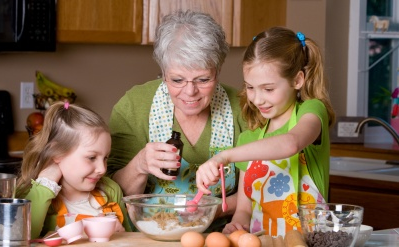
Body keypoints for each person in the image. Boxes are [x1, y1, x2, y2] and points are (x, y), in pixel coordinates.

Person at [106, 10, 246, 229]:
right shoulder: (133, 106)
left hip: (218, 237)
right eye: (177, 80)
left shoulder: (242, 109)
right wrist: (140, 165)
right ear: (163, 72)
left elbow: (257, 189)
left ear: (218, 72)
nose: (190, 92)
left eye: (203, 79)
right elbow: (110, 197)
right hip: (147, 238)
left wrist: (211, 211)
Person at [196, 26, 336, 237]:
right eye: (250, 87)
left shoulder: (312, 112)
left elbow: (290, 144)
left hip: (310, 241)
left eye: (268, 89)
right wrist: (237, 225)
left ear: (297, 80)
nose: (257, 99)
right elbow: (244, 210)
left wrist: (224, 156)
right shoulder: (249, 139)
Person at [16, 102, 132, 239]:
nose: (102, 169)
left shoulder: (111, 190)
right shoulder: (29, 194)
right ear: (57, 153)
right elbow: (21, 237)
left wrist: (122, 236)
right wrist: (46, 185)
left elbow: (134, 240)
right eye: (92, 157)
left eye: (105, 158)